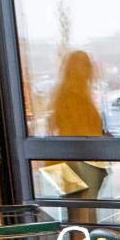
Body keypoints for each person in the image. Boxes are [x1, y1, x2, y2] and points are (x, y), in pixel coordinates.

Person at [48, 50, 108, 209]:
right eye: (87, 65)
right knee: (84, 212)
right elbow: (80, 133)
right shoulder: (73, 97)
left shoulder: (68, 94)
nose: (91, 70)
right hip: (81, 163)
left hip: (77, 162)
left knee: (81, 212)